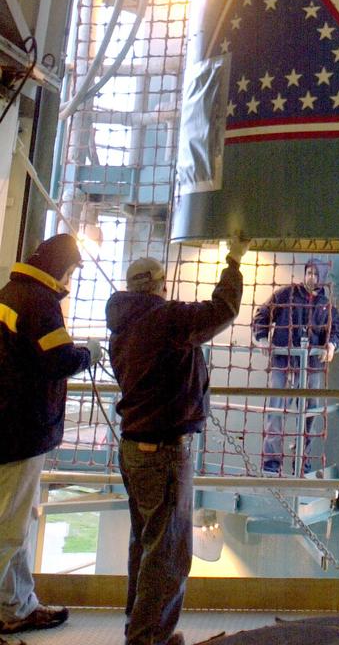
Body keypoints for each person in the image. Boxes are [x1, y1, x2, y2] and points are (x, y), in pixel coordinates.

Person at [106, 236, 249, 645]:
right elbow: (222, 310)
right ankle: (149, 638)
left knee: (147, 547)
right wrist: (234, 262)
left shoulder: (122, 324)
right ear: (159, 285)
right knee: (167, 553)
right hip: (163, 450)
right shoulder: (165, 319)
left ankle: (145, 630)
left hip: (135, 448)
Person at [0, 232, 99, 634]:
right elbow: (58, 359)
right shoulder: (40, 303)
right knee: (8, 530)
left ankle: (16, 607)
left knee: (14, 526)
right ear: (60, 267)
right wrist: (90, 352)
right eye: (73, 269)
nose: (71, 278)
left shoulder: (10, 293)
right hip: (22, 432)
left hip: (9, 427)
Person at [252, 258, 339, 475]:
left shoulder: (326, 306)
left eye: (315, 273)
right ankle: (271, 465)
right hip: (283, 364)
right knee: (276, 413)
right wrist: (262, 338)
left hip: (311, 368)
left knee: (309, 415)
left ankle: (302, 464)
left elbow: (336, 331)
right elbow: (262, 315)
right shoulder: (287, 295)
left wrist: (331, 345)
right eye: (308, 272)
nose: (311, 277)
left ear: (322, 277)